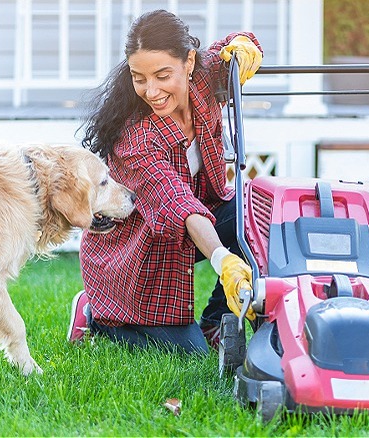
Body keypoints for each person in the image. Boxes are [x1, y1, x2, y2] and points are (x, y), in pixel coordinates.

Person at [68, 9, 263, 354]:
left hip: (198, 221)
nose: (151, 90)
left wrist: (244, 44)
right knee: (192, 354)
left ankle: (217, 320)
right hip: (141, 254)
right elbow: (177, 204)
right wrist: (223, 260)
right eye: (138, 77)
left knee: (259, 209)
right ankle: (94, 312)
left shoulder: (202, 80)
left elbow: (229, 51)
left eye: (162, 75)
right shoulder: (135, 138)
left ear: (188, 63)